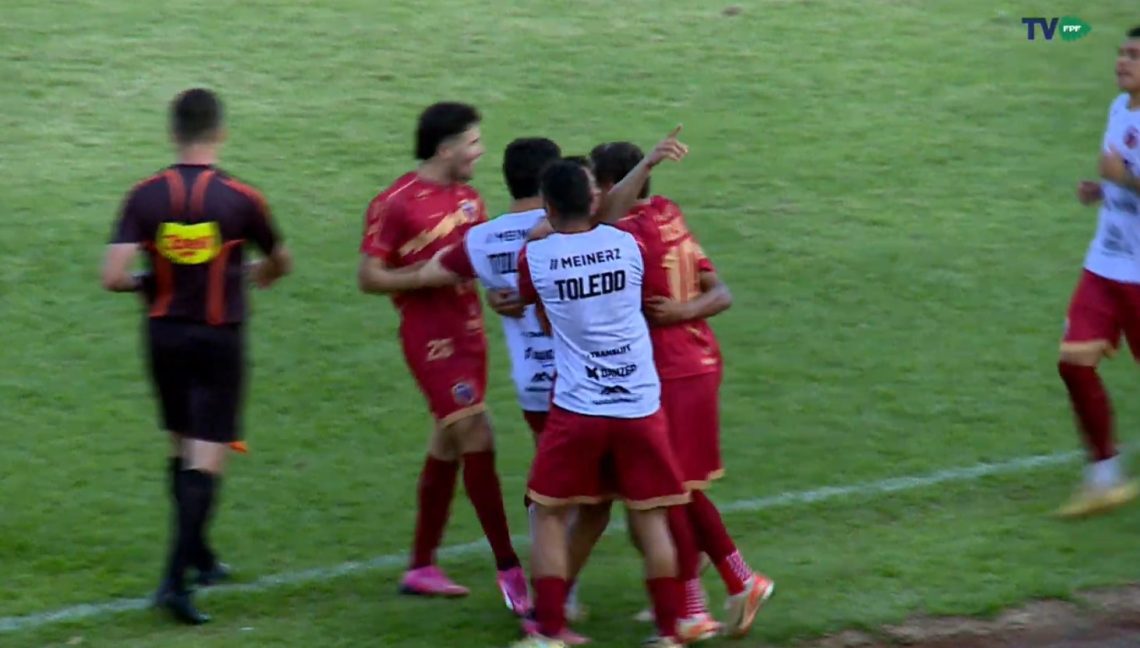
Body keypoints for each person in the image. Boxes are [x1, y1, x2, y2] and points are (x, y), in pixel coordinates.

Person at [101, 87, 292, 624]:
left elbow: (112, 276)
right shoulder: (241, 197)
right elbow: (281, 259)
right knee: (207, 456)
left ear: (173, 133)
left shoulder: (144, 195)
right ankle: (174, 580)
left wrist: (149, 281)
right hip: (217, 339)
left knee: (183, 444)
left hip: (162, 336)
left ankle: (202, 557)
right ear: (221, 132)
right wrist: (260, 275)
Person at [590, 141, 774, 638]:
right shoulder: (669, 213)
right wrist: (688, 311)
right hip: (697, 364)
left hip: (668, 373)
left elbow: (603, 216)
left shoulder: (622, 232)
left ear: (610, 187)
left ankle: (721, 591)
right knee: (677, 491)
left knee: (667, 492)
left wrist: (676, 313)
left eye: (593, 183)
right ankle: (723, 589)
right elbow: (721, 290)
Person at [356, 101, 529, 614]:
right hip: (431, 340)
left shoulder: (471, 199)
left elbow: (472, 264)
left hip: (471, 336)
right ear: (445, 148)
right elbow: (369, 276)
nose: (479, 151)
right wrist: (422, 278)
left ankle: (421, 566)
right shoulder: (396, 203)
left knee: (448, 444)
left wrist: (500, 292)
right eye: (473, 143)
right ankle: (509, 568)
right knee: (477, 434)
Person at [1056, 25, 1140, 517]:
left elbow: (1129, 175)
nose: (1121, 62)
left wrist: (1121, 178)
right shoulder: (1117, 109)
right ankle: (1104, 478)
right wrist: (1103, 191)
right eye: (1121, 53)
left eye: (1133, 55)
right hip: (1105, 264)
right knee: (1073, 363)